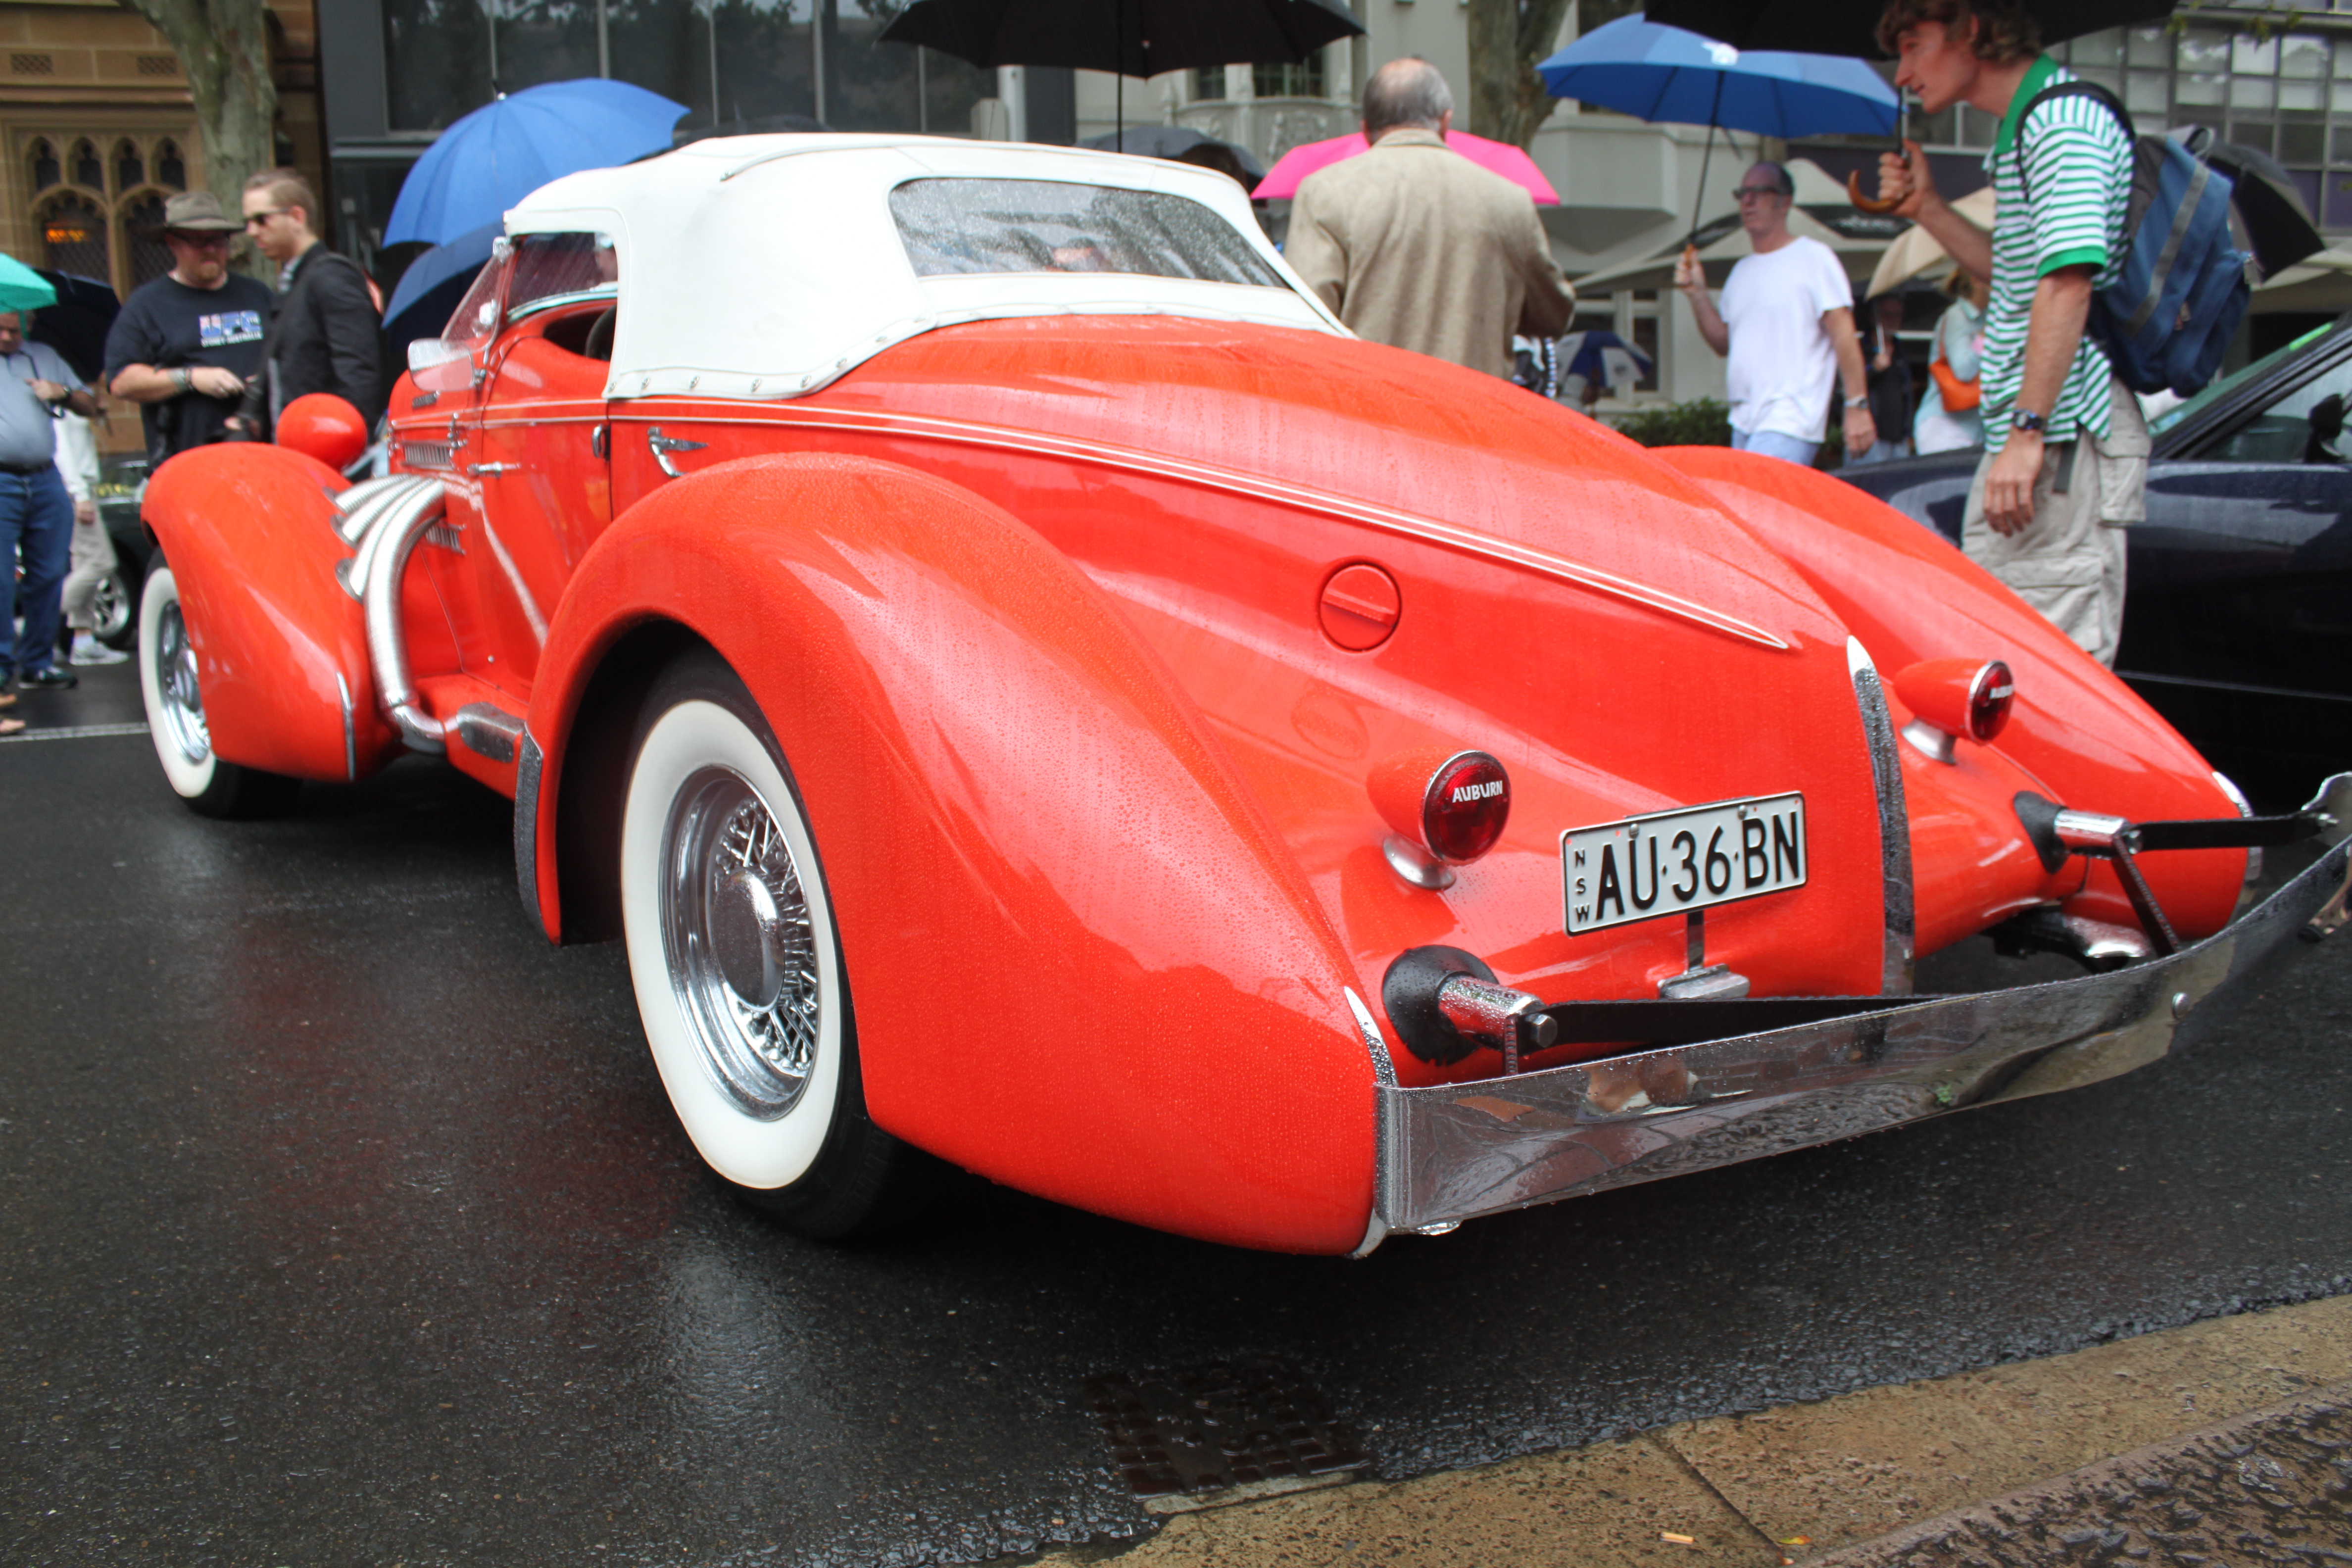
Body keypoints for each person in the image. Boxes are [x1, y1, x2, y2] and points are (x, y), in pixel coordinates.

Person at [1873, 0, 2142, 667]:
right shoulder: (2028, 127)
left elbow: (2067, 283)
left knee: (2048, 678)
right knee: (2005, 659)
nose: (1902, 73)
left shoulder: (2062, 120)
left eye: (1913, 45)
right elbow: (2023, 273)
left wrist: (2026, 433)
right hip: (2037, 437)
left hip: (2057, 439)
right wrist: (1927, 209)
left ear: (1971, 27)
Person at [1284, 58, 1574, 379]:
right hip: (1473, 418)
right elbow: (1553, 316)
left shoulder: (1325, 192)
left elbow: (1303, 322)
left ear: (1365, 129)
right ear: (1445, 121)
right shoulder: (1508, 201)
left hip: (1366, 414)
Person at [1675, 162, 1875, 465]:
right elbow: (1723, 344)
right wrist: (1698, 295)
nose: (1748, 201)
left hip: (1790, 420)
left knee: (1754, 508)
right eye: (1742, 193)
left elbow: (1843, 334)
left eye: (1759, 192)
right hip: (1743, 422)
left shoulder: (1814, 258)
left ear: (1786, 202)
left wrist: (1857, 406)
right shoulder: (1741, 272)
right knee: (1749, 511)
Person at [102, 190, 273, 467]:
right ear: (173, 243)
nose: (210, 249)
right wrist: (191, 378)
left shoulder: (258, 294)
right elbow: (122, 382)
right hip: (190, 464)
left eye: (218, 240)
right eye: (198, 241)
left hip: (264, 456)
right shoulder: (147, 305)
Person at [234, 168, 385, 437]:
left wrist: (340, 447)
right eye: (248, 221)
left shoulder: (331, 276)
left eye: (261, 219)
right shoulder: (299, 280)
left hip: (326, 456)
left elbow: (359, 379)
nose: (252, 231)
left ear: (296, 217)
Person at [0, 305, 98, 699]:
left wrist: (60, 393)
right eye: (1, 330)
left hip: (45, 477)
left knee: (49, 573)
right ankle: (3, 666)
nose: (8, 338)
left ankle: (39, 663)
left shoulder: (44, 357)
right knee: (2, 579)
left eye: (14, 330)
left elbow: (91, 404)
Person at [55, 405, 125, 666]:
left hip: (82, 489)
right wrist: (80, 494)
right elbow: (60, 450)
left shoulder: (73, 402)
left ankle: (83, 641)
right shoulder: (57, 405)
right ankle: (40, 617)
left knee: (85, 563)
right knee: (102, 562)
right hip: (76, 491)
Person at [1913, 266, 1987, 454]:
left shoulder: (1985, 317)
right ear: (1977, 281)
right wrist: (1985, 337)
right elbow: (1963, 370)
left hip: (1973, 429)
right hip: (1944, 428)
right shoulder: (1958, 316)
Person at [1851, 293, 1914, 465]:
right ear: (1874, 317)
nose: (1892, 320)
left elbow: (1907, 393)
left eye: (1897, 315)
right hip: (1871, 437)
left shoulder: (1901, 350)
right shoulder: (1859, 349)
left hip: (1899, 440)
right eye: (1887, 314)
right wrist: (1874, 369)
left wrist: (1909, 432)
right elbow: (1846, 388)